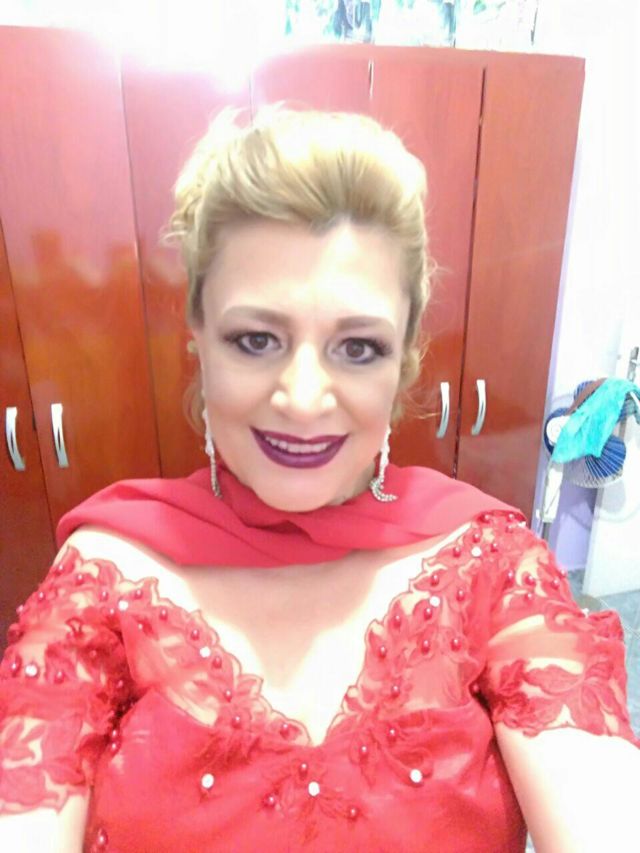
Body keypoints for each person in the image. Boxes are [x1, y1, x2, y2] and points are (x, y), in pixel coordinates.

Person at [1, 104, 639, 853]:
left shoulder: (492, 567)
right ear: (198, 338)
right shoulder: (105, 574)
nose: (303, 399)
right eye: (256, 339)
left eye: (358, 348)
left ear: (404, 357)